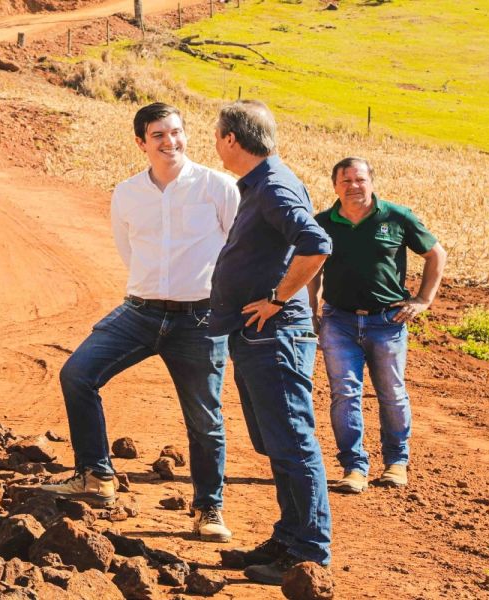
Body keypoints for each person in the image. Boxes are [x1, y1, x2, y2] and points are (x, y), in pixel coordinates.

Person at [40, 102, 241, 543]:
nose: (171, 142)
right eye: (159, 135)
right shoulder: (127, 193)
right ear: (140, 142)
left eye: (176, 132)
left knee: (205, 419)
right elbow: (127, 250)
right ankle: (95, 475)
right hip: (140, 311)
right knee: (77, 374)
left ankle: (208, 508)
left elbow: (235, 250)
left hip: (200, 319)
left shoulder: (219, 187)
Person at [209, 100, 333, 585]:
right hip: (260, 337)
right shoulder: (263, 183)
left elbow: (316, 243)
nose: (215, 143)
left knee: (293, 442)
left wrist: (278, 299)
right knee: (277, 442)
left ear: (233, 141)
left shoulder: (275, 186)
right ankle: (288, 536)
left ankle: (306, 552)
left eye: (217, 134)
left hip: (275, 336)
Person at [308, 157, 446, 493]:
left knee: (393, 395)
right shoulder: (323, 222)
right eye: (346, 181)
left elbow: (435, 254)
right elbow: (310, 266)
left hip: (388, 321)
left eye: (359, 180)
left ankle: (396, 463)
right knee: (345, 395)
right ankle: (353, 467)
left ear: (372, 182)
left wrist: (423, 299)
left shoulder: (397, 217)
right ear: (335, 186)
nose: (354, 187)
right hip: (338, 320)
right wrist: (312, 307)